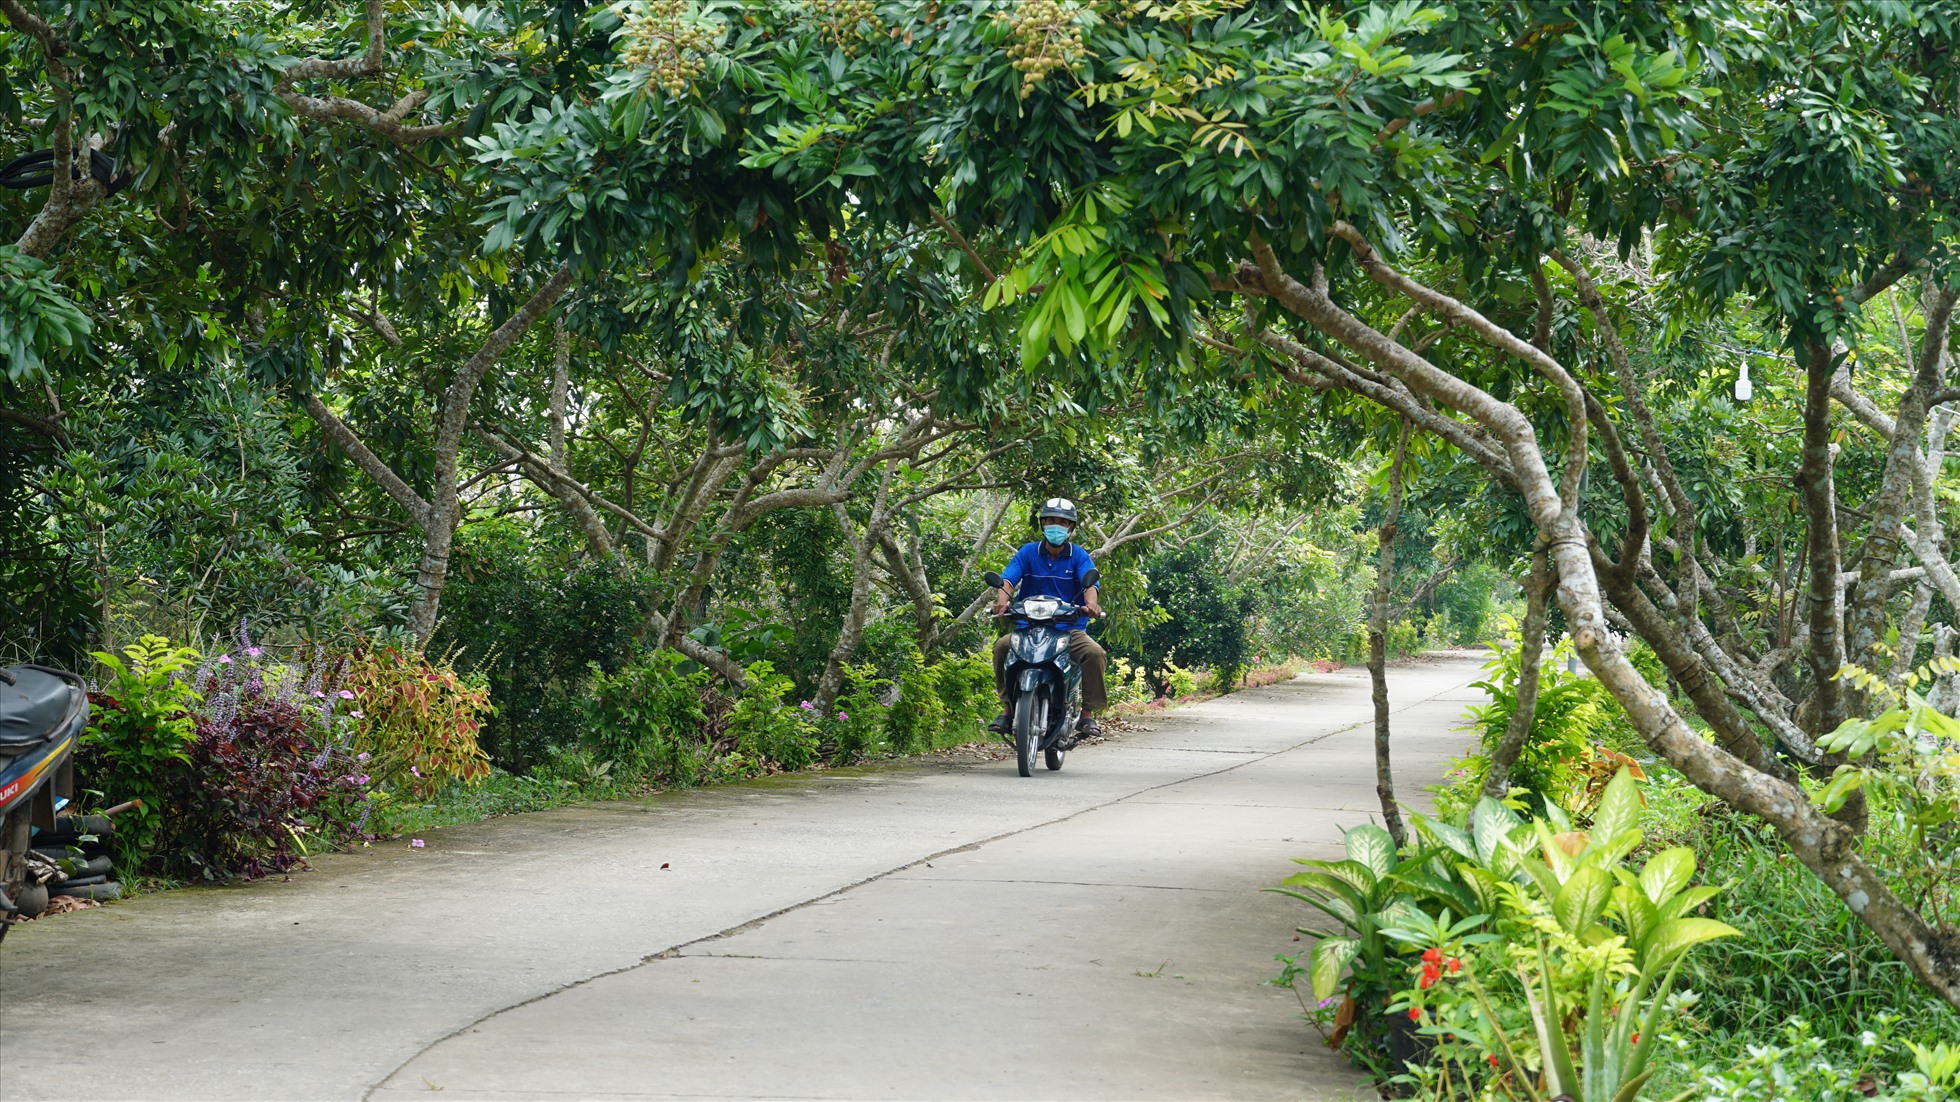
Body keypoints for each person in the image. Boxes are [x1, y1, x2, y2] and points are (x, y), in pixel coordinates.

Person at [988, 497, 1108, 737]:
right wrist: (1002, 601)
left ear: (1071, 528)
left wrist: (1091, 605)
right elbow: (1009, 579)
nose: (1057, 526)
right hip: (1027, 627)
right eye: (1051, 520)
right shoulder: (1028, 552)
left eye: (1063, 522)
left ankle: (1087, 715)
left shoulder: (1079, 555)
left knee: (1095, 654)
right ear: (1042, 524)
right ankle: (1007, 709)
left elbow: (1090, 584)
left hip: (1068, 629)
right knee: (1001, 648)